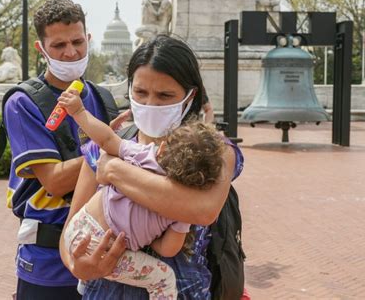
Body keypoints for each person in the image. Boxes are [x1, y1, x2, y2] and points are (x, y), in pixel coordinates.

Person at [59, 35, 245, 299]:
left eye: (165, 95)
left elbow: (203, 210)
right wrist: (78, 264)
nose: (150, 104)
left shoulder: (213, 151)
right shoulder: (108, 144)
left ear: (190, 96)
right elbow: (70, 231)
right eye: (141, 93)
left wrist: (115, 171)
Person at [3, 0, 127, 300]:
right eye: (58, 45)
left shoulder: (102, 97)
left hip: (105, 258)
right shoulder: (23, 103)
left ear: (89, 39)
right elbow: (55, 181)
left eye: (77, 41)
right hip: (48, 264)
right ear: (40, 48)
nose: (71, 52)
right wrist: (112, 145)